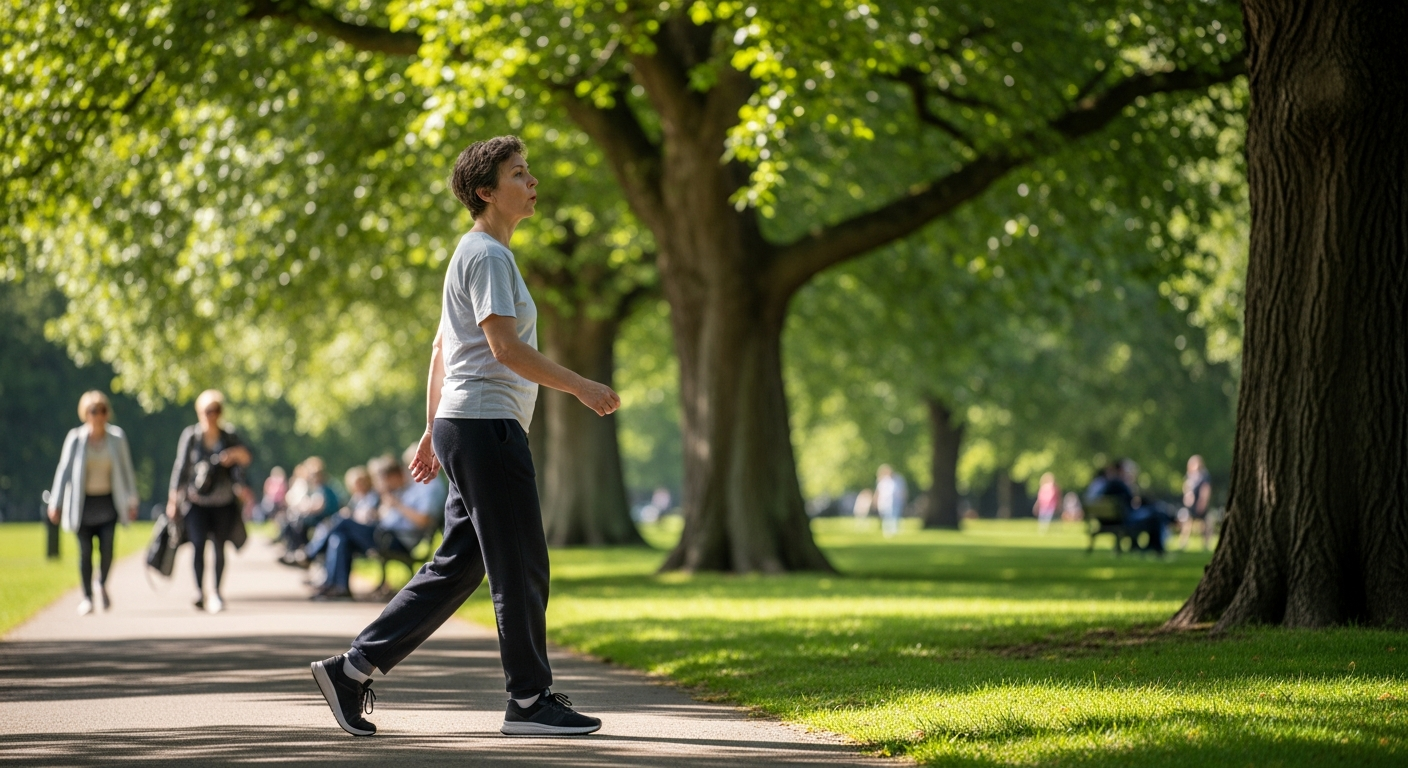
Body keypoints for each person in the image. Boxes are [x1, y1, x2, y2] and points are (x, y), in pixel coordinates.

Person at [310, 136, 618, 738]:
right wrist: (581, 386)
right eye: (519, 173)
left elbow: (440, 351)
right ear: (486, 191)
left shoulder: (476, 255)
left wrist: (431, 430)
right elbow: (503, 349)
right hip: (485, 426)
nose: (532, 182)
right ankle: (528, 701)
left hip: (465, 424)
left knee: (459, 565)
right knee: (521, 562)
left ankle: (352, 670)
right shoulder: (488, 257)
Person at [47, 391, 139, 615]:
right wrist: (55, 503)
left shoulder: (117, 438)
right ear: (85, 414)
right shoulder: (76, 439)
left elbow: (127, 470)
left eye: (102, 411)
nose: (98, 416)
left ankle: (102, 583)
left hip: (108, 504)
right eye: (93, 411)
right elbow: (64, 471)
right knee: (85, 552)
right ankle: (87, 597)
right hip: (82, 505)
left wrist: (132, 500)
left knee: (107, 549)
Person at [168, 389, 252, 613]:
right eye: (207, 410)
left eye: (215, 410)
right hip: (196, 502)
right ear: (199, 412)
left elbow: (246, 457)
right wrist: (173, 499)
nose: (211, 415)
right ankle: (199, 591)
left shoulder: (229, 435)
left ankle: (216, 592)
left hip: (223, 502)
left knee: (219, 546)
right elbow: (180, 468)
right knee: (197, 546)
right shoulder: (191, 436)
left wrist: (232, 456)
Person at [310, 455, 438, 601]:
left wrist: (397, 504)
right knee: (340, 537)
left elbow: (423, 521)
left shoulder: (427, 488)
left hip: (395, 539)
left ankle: (311, 553)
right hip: (385, 534)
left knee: (344, 522)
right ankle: (337, 586)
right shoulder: (405, 490)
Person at [279, 457, 340, 562]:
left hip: (326, 518)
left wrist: (306, 509)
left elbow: (320, 506)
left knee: (299, 522)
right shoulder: (318, 487)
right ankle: (298, 551)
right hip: (319, 516)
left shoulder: (326, 487)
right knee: (295, 521)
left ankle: (304, 554)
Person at [1176, 455, 1214, 551]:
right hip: (1190, 505)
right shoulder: (1189, 476)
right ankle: (1183, 543)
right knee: (1187, 522)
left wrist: (1202, 503)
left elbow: (1205, 490)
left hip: (1200, 504)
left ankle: (1206, 544)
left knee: (1206, 523)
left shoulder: (1204, 476)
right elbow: (1186, 488)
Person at [875, 465, 906, 537]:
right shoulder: (883, 481)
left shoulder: (897, 479)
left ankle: (893, 530)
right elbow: (879, 492)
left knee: (894, 516)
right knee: (886, 516)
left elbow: (901, 491)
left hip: (895, 502)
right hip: (885, 502)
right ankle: (887, 531)